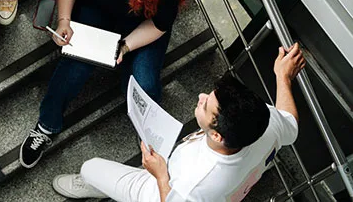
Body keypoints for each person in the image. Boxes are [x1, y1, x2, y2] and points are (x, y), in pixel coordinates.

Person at [19, 0, 186, 168]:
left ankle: (151, 142)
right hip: (96, 10)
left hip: (141, 24)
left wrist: (126, 46)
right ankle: (47, 125)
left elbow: (158, 26)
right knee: (73, 68)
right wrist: (64, 20)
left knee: (145, 84)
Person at [52, 43, 305, 202]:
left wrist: (161, 176)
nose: (200, 97)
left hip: (160, 192)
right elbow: (290, 126)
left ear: (218, 136)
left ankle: (94, 183)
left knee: (90, 167)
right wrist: (282, 77)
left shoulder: (198, 183)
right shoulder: (266, 122)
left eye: (206, 105)